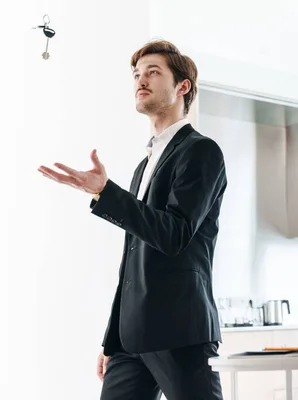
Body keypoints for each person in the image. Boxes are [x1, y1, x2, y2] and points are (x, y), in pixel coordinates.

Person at [37, 39, 227, 400]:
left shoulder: (201, 151)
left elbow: (174, 234)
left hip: (180, 330)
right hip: (131, 339)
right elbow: (132, 261)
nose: (141, 80)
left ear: (182, 87)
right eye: (137, 74)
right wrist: (112, 339)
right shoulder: (144, 165)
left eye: (153, 73)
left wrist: (107, 193)